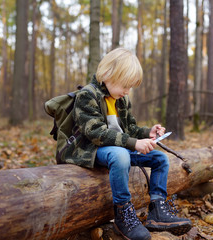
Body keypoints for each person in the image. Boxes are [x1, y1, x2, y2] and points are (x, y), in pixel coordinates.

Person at [64, 48, 192, 240]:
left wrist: (147, 133)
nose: (127, 91)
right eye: (125, 85)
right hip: (91, 150)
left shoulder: (121, 99)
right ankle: (123, 214)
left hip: (119, 148)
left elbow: (130, 129)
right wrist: (134, 143)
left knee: (159, 159)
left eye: (131, 86)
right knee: (120, 155)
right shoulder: (87, 96)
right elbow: (96, 133)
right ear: (107, 74)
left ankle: (157, 211)